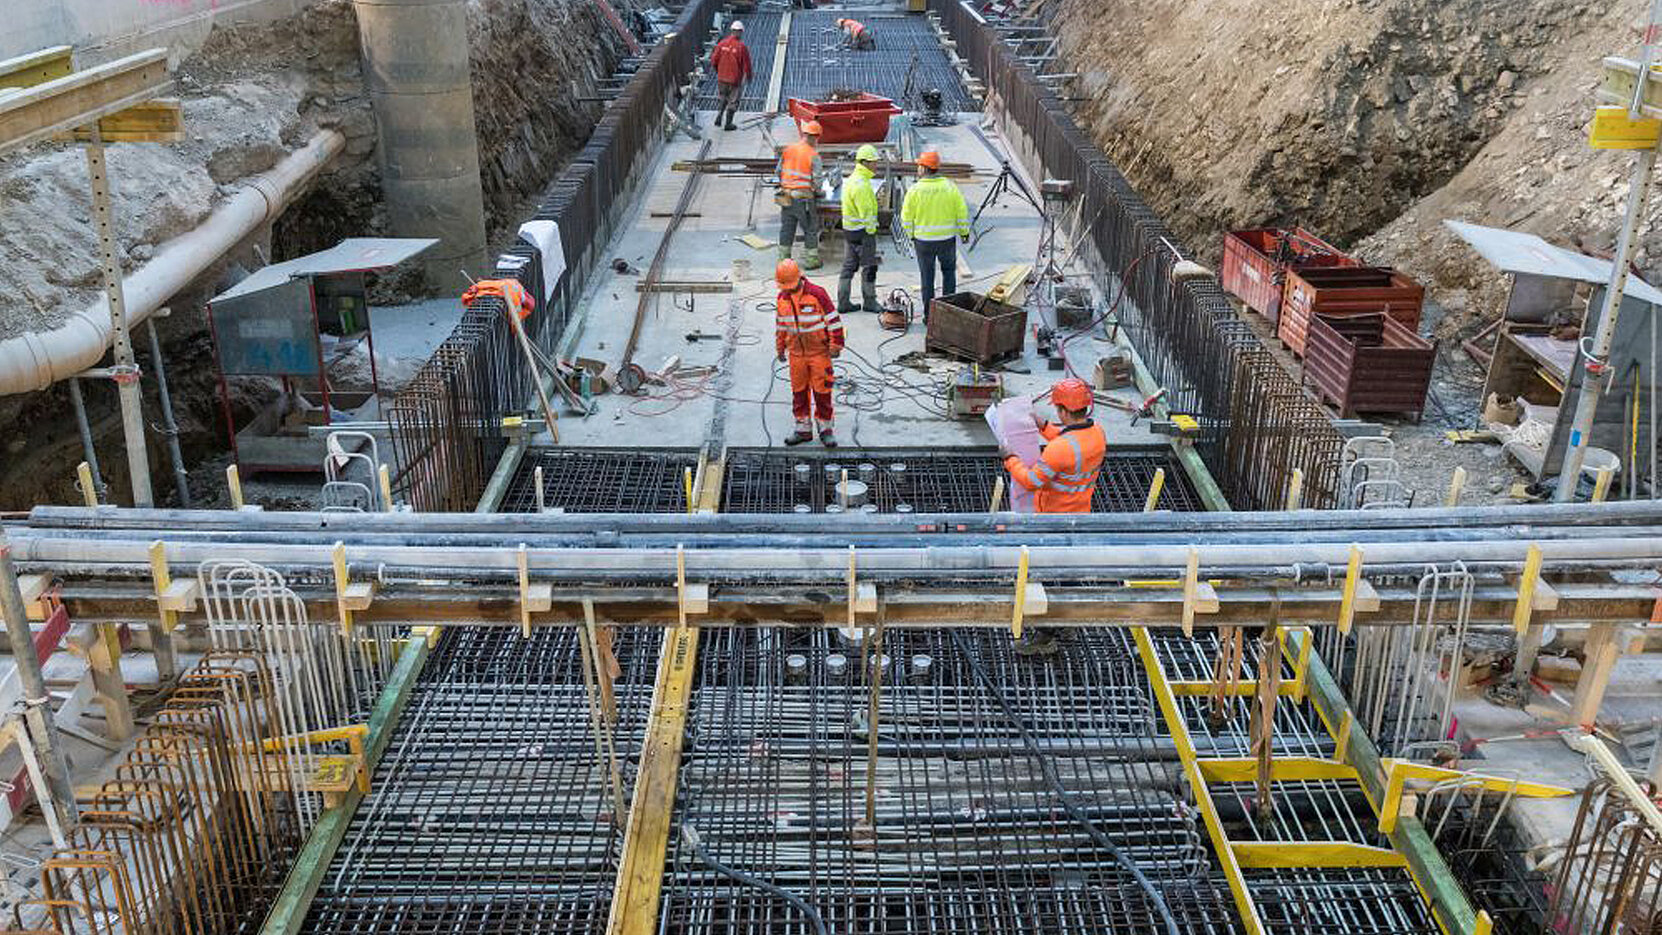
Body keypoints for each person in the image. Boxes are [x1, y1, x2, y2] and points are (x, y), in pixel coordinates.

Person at [1002, 377, 1106, 654]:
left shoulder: (1059, 450)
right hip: (1079, 514)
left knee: (1046, 574)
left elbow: (1031, 480)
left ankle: (1046, 636)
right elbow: (1070, 443)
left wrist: (1009, 458)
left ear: (1061, 409)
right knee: (1070, 570)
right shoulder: (1097, 433)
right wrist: (1043, 427)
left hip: (1053, 518)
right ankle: (1068, 620)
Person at [774, 259, 844, 447]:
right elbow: (781, 326)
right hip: (796, 355)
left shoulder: (817, 294)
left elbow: (833, 321)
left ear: (799, 278)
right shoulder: (782, 299)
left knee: (822, 392)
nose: (787, 289)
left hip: (819, 353)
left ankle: (826, 429)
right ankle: (803, 430)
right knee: (799, 393)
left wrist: (836, 344)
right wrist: (780, 348)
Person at [899, 150, 969, 314]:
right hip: (947, 240)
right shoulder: (950, 187)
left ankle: (929, 316)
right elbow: (962, 212)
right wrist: (964, 233)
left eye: (919, 166)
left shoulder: (915, 190)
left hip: (923, 242)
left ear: (923, 169)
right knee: (949, 274)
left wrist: (910, 236)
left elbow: (906, 218)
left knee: (927, 278)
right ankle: (947, 313)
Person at [837, 144, 882, 315]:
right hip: (863, 232)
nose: (876, 165)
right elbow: (868, 213)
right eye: (874, 162)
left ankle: (843, 302)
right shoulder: (862, 185)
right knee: (870, 267)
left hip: (849, 231)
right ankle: (870, 301)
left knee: (848, 266)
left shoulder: (851, 180)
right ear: (864, 162)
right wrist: (871, 232)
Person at [777, 120, 825, 269]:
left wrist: (788, 183)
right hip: (802, 198)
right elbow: (817, 180)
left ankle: (783, 260)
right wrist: (818, 191)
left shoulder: (788, 149)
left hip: (785, 196)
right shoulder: (813, 154)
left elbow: (778, 171)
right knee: (810, 228)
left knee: (787, 227)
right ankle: (811, 261)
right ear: (814, 137)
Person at [710, 21, 753, 131]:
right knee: (733, 101)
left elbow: (714, 60)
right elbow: (746, 64)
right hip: (734, 80)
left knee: (723, 98)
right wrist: (749, 76)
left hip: (722, 78)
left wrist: (719, 71)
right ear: (741, 32)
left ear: (731, 30)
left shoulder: (721, 44)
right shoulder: (741, 47)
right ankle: (728, 124)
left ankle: (719, 115)